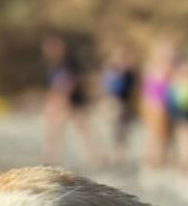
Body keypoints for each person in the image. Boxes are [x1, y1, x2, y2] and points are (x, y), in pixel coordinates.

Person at [42, 34, 94, 167]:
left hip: (73, 101)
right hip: (60, 102)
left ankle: (94, 155)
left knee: (83, 129)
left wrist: (63, 98)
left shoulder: (69, 62)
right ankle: (51, 156)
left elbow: (72, 82)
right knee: (55, 130)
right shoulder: (52, 65)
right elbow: (51, 86)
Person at [98, 43, 136, 166]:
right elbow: (106, 86)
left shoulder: (130, 71)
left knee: (122, 130)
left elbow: (132, 88)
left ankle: (119, 154)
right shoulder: (111, 69)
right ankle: (113, 153)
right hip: (113, 101)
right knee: (112, 129)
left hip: (124, 102)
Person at [140, 40, 176, 168]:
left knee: (157, 137)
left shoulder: (154, 66)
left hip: (157, 104)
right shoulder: (159, 67)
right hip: (156, 105)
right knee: (157, 137)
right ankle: (154, 164)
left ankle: (155, 163)